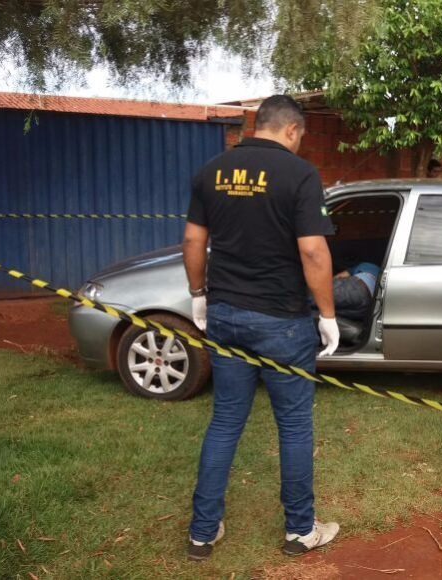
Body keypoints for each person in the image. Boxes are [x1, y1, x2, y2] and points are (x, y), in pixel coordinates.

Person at [182, 94, 341, 561]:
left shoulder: (211, 170)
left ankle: (202, 532)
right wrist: (328, 316)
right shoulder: (301, 175)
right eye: (301, 136)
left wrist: (197, 295)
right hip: (282, 322)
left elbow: (193, 239)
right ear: (292, 130)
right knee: (293, 426)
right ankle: (299, 530)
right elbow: (313, 251)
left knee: (226, 421)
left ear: (258, 125)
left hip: (227, 315)